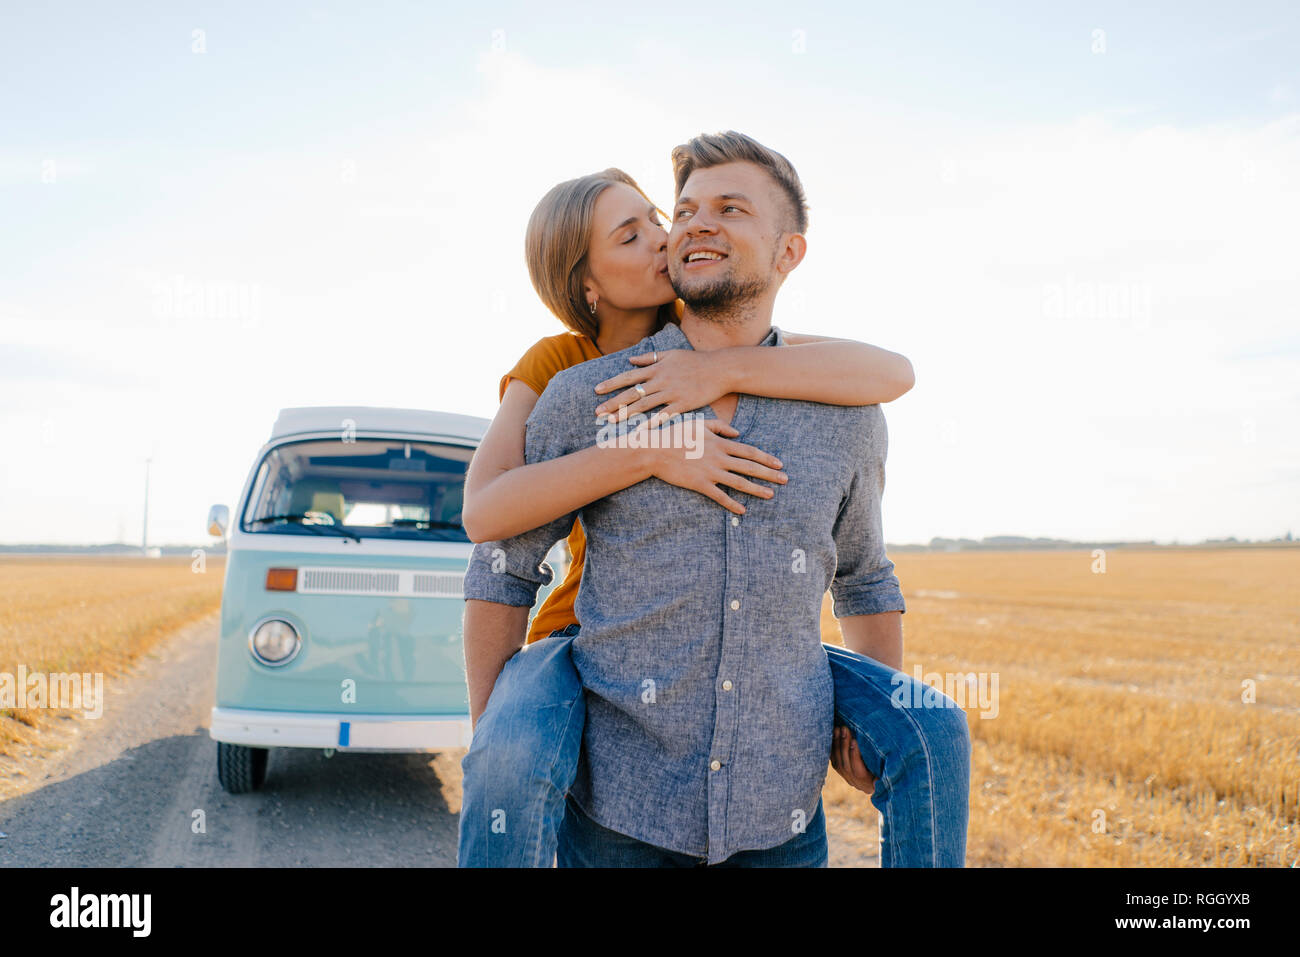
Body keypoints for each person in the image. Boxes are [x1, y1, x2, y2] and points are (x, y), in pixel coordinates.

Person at [459, 131, 971, 867]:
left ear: (789, 252)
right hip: (616, 815)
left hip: (780, 821)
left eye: (729, 208)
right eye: (685, 208)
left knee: (937, 728)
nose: (689, 225)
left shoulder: (846, 410)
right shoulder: (580, 388)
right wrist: (497, 737)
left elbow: (864, 577)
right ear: (591, 283)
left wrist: (856, 724)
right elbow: (498, 554)